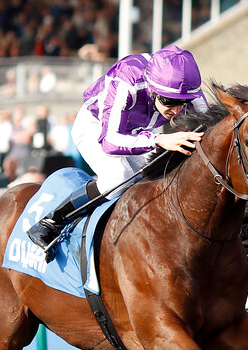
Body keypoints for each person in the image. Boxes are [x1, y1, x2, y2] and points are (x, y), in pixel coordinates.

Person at [26, 45, 207, 258]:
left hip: (139, 130)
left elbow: (210, 130)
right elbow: (110, 141)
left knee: (160, 178)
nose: (176, 111)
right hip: (96, 127)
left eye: (182, 103)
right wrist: (159, 139)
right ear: (151, 88)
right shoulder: (126, 80)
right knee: (119, 176)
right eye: (168, 102)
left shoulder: (187, 89)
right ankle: (52, 221)